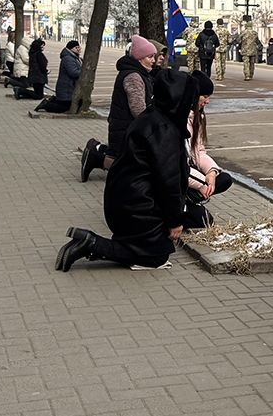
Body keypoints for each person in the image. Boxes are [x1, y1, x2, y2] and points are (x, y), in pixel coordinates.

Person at [57, 70, 205, 272]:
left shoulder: (151, 117)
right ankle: (92, 244)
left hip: (126, 201)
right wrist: (174, 221)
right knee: (155, 257)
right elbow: (168, 181)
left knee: (154, 249)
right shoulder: (164, 130)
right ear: (180, 99)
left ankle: (93, 243)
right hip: (138, 207)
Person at [80, 35, 158, 182]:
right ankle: (95, 158)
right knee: (127, 165)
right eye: (150, 57)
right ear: (140, 58)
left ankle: (95, 152)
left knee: (126, 161)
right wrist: (152, 122)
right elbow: (138, 109)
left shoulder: (137, 73)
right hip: (126, 125)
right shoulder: (133, 76)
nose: (153, 60)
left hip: (124, 125)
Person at [183, 71, 234, 228]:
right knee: (204, 221)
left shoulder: (198, 117)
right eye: (204, 96)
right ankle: (181, 205)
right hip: (173, 180)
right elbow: (176, 167)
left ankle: (190, 198)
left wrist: (211, 173)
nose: (208, 101)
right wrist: (202, 183)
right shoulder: (177, 120)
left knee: (223, 178)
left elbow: (198, 150)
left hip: (188, 174)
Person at [38, 40, 81, 113]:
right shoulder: (68, 59)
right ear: (71, 49)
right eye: (76, 47)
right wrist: (84, 72)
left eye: (79, 47)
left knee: (68, 104)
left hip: (69, 87)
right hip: (67, 87)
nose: (79, 49)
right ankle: (47, 105)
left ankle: (53, 101)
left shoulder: (74, 57)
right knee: (64, 107)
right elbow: (73, 72)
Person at [238, 16, 260, 81]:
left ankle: (247, 76)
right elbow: (257, 41)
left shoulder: (243, 32)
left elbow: (239, 40)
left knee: (246, 63)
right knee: (252, 63)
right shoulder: (255, 33)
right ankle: (251, 74)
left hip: (245, 50)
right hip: (253, 50)